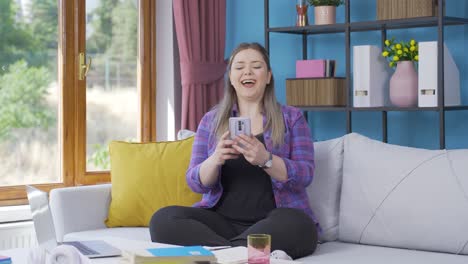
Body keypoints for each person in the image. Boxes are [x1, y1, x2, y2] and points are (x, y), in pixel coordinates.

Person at [149, 42, 318, 259]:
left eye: (256, 66)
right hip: (221, 221)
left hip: (274, 220)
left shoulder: (292, 118)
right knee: (163, 219)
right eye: (239, 67)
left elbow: (306, 174)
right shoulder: (211, 121)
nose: (247, 71)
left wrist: (265, 159)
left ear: (268, 77)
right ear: (231, 77)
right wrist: (215, 159)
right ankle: (239, 254)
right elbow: (194, 181)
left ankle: (221, 254)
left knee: (300, 226)